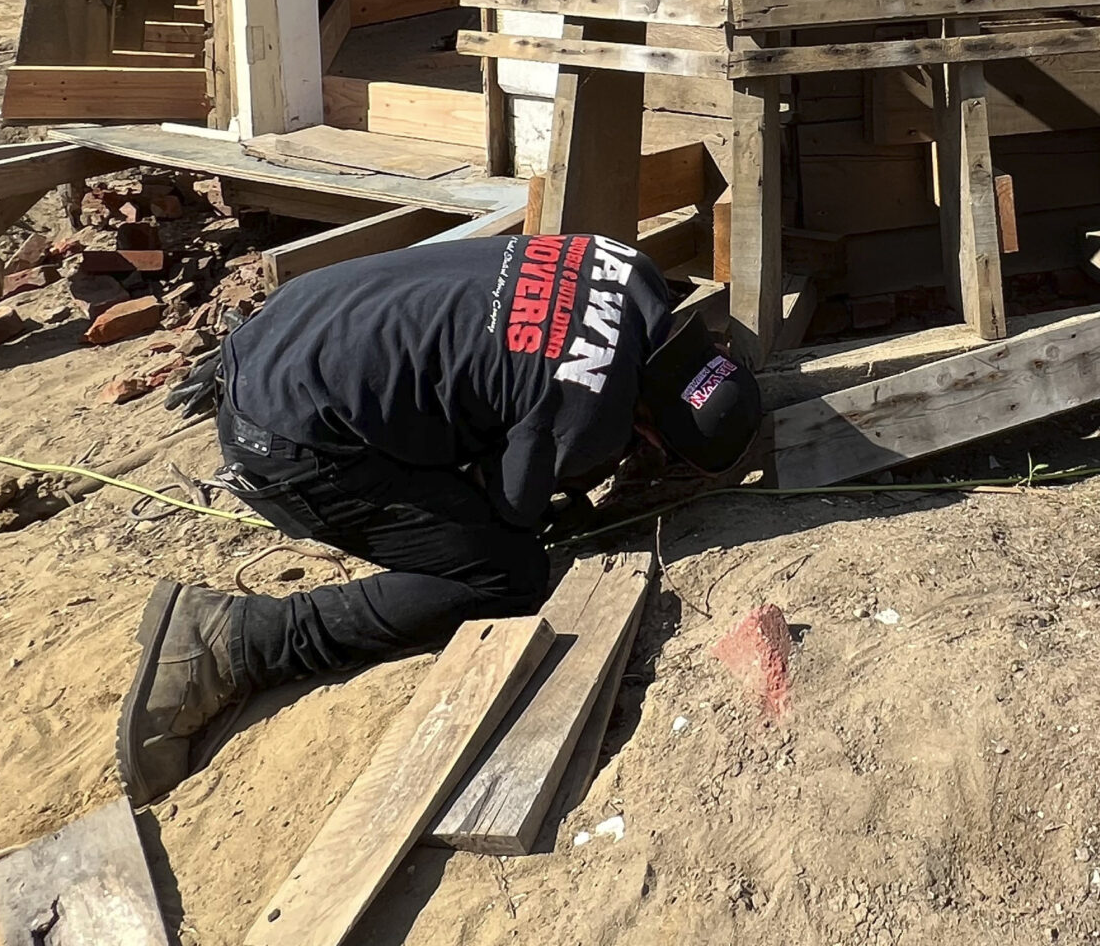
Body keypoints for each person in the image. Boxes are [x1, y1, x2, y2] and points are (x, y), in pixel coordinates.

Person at [117, 232, 761, 803]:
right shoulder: (591, 418)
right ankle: (235, 643)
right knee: (504, 573)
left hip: (289, 331)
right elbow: (513, 508)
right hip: (287, 437)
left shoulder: (632, 268)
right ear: (648, 429)